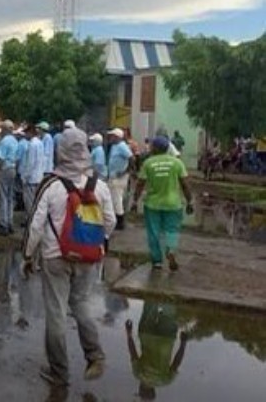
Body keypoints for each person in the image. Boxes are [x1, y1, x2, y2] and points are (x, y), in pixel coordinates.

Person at [21, 127, 116, 388]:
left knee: (56, 313)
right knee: (81, 303)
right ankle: (95, 355)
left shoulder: (51, 185)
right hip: (89, 257)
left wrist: (28, 255)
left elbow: (35, 225)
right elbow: (110, 221)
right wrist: (99, 244)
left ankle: (59, 373)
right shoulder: (100, 185)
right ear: (85, 150)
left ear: (61, 150)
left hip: (55, 257)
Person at [130, 136, 194, 271]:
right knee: (172, 230)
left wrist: (135, 201)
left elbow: (140, 184)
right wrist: (190, 201)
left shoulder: (148, 163)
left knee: (153, 232)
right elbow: (185, 184)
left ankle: (157, 261)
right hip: (173, 204)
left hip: (153, 204)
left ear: (155, 148)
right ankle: (170, 250)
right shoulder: (177, 163)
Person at [125, 302, 189, 400]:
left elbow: (177, 362)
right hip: (146, 335)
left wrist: (183, 343)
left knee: (169, 312)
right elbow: (133, 352)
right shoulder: (138, 374)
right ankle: (154, 288)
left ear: (154, 390)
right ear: (141, 389)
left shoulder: (165, 380)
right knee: (150, 306)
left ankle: (169, 289)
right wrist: (129, 334)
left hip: (166, 340)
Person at [0, 120, 19, 235]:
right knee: (10, 197)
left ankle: (3, 224)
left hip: (5, 169)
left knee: (3, 197)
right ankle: (10, 222)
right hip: (13, 168)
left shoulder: (4, 141)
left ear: (5, 129)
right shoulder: (15, 141)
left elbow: (0, 159)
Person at [107, 128, 134, 230]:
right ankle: (117, 219)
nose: (110, 138)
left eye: (112, 136)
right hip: (113, 176)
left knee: (117, 199)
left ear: (117, 137)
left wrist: (125, 171)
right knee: (115, 198)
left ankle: (120, 222)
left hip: (119, 178)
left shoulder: (122, 146)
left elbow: (131, 158)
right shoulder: (115, 146)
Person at [21, 125, 45, 215]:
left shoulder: (32, 144)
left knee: (29, 202)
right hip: (39, 176)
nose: (25, 135)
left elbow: (30, 163)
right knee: (37, 200)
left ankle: (30, 221)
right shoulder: (40, 143)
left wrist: (25, 177)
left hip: (31, 178)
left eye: (26, 133)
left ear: (30, 133)